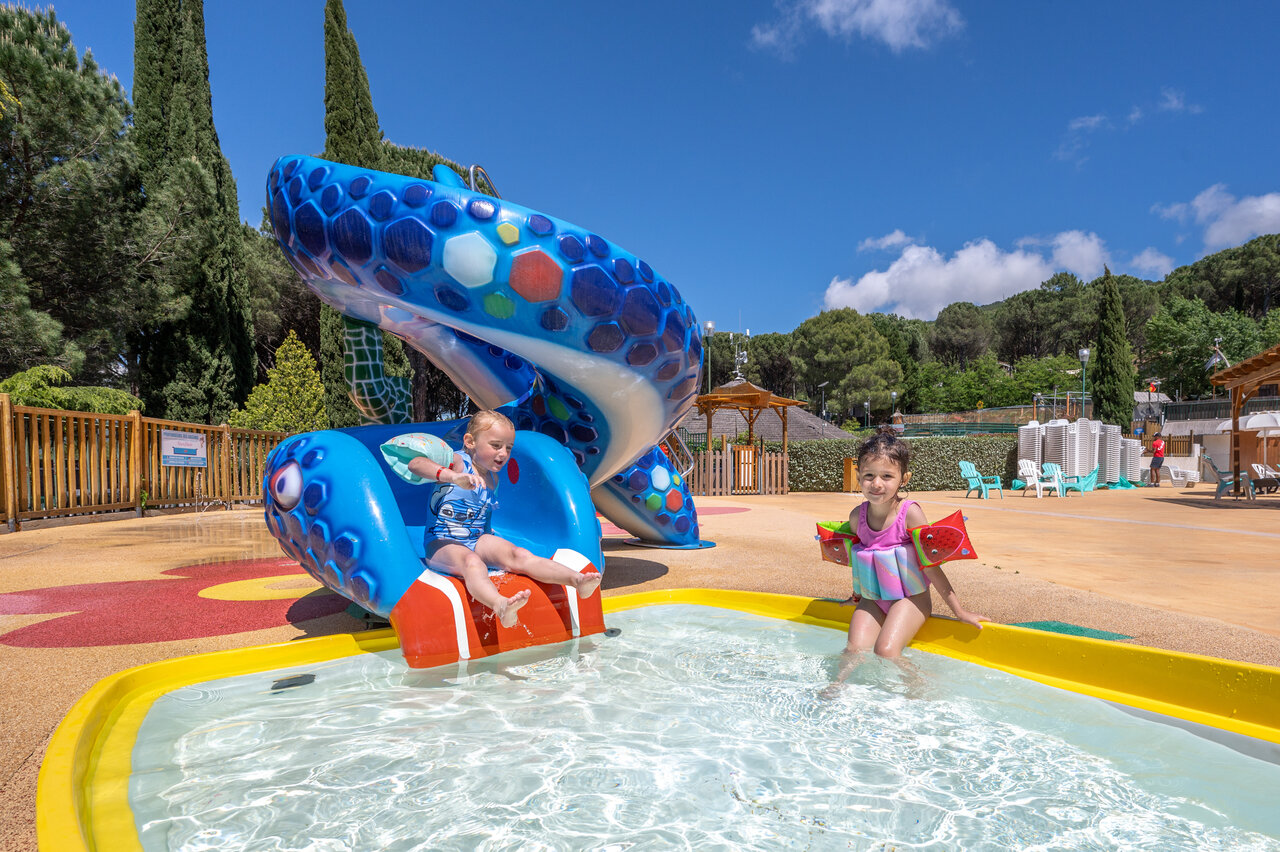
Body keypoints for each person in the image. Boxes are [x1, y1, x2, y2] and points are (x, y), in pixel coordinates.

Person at [407, 410, 602, 628]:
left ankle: (576, 580)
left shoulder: (493, 478)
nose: (503, 453)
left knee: (519, 554)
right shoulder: (458, 462)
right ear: (470, 441)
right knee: (473, 563)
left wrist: (492, 541)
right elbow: (416, 464)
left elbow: (485, 515)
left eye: (508, 448)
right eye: (496, 445)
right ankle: (500, 604)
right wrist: (452, 476)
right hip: (443, 542)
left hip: (477, 538)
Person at [840, 428, 987, 659]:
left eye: (887, 476)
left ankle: (917, 691)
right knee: (852, 651)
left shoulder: (910, 515)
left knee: (886, 651)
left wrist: (959, 611)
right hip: (873, 600)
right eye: (869, 476)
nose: (876, 483)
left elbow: (930, 565)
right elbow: (864, 560)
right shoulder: (856, 516)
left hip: (910, 599)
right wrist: (856, 596)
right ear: (858, 477)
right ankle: (837, 689)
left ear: (904, 479)